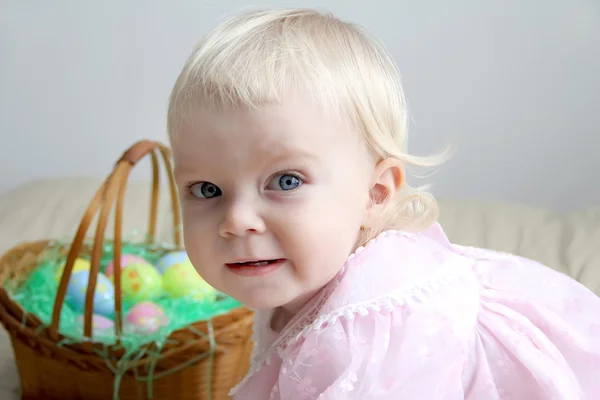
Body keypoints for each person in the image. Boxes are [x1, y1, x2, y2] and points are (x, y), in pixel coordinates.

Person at [166, 8, 600, 399]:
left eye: (286, 180)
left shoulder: (378, 318)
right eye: (206, 189)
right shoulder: (293, 289)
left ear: (376, 193)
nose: (237, 221)